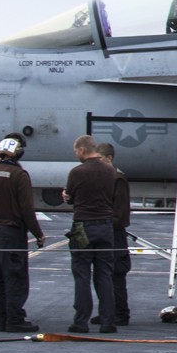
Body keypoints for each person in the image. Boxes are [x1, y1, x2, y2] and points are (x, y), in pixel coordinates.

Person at [0, 137, 44, 333]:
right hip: (11, 233)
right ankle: (14, 319)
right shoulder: (19, 175)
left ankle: (0, 319)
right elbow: (26, 209)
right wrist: (38, 233)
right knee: (15, 276)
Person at [63, 135, 120, 333]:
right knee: (104, 275)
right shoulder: (111, 171)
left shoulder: (77, 172)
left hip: (83, 226)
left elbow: (70, 197)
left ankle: (81, 322)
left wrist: (66, 197)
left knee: (82, 275)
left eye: (76, 152)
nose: (76, 155)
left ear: (82, 150)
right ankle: (108, 322)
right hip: (105, 226)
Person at [95, 142, 133, 326]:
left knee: (116, 274)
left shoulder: (117, 179)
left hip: (115, 232)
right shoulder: (109, 177)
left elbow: (119, 211)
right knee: (105, 274)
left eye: (101, 159)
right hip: (109, 229)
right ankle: (107, 310)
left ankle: (120, 312)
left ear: (109, 158)